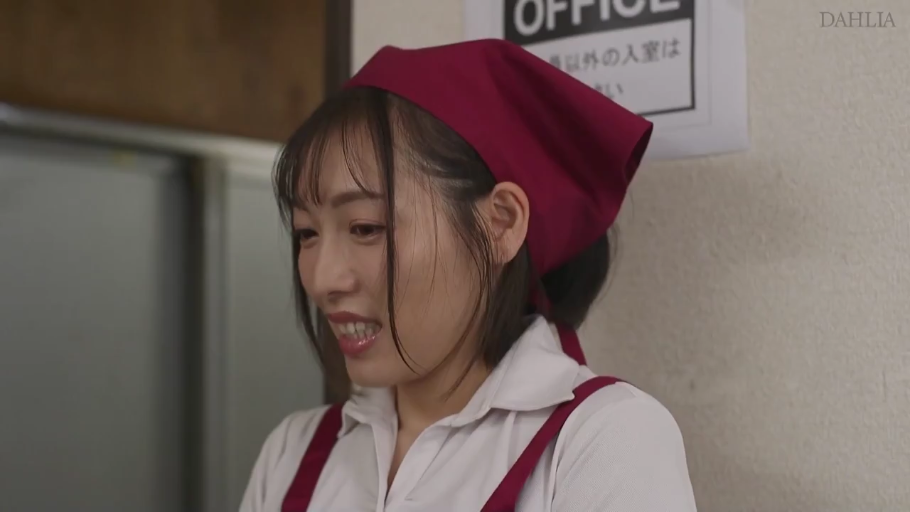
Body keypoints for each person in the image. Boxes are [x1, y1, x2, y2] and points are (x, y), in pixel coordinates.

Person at [240, 39, 697, 512]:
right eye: (307, 233)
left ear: (500, 223)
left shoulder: (602, 442)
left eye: (365, 228)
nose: (324, 280)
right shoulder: (293, 453)